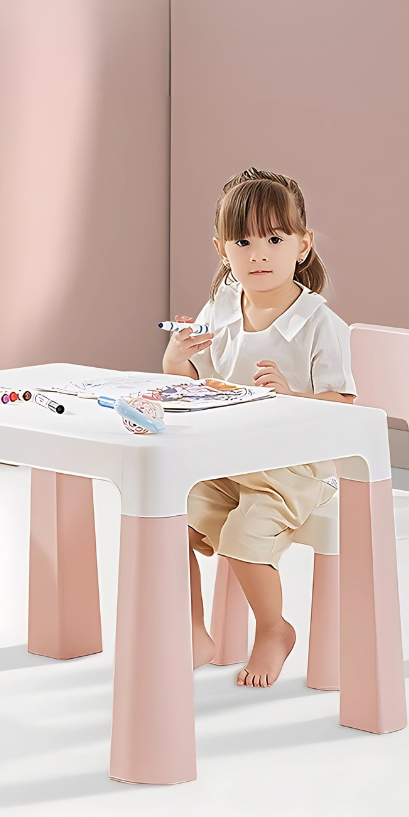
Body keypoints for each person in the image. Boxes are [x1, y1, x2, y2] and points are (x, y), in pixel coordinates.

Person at [162, 169, 356, 686]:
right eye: (242, 242)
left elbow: (342, 404)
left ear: (302, 245)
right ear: (223, 251)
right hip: (228, 462)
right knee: (169, 523)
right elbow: (191, 383)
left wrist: (292, 398)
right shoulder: (221, 308)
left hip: (295, 469)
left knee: (245, 534)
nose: (258, 254)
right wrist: (176, 356)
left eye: (274, 239)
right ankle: (193, 632)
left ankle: (274, 629)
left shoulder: (318, 323)